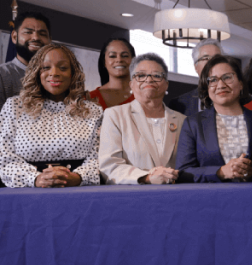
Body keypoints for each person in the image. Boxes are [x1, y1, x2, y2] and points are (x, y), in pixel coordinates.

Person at [0, 44, 102, 188]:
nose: (54, 73)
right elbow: (3, 155)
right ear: (37, 72)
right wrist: (35, 178)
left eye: (63, 68)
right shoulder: (14, 107)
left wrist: (78, 177)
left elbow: (99, 157)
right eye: (46, 67)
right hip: (28, 190)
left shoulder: (93, 111)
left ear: (73, 73)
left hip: (78, 189)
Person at [176, 55, 252, 183]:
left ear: (241, 84)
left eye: (227, 77)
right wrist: (221, 172)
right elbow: (183, 172)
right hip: (212, 199)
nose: (220, 85)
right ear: (207, 87)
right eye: (213, 80)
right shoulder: (193, 124)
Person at [99, 53, 184, 184]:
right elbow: (109, 166)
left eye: (156, 75)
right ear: (131, 84)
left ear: (166, 85)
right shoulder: (115, 115)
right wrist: (147, 177)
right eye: (141, 75)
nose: (149, 80)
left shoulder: (183, 120)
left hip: (176, 194)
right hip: (133, 196)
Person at [0, 11, 51, 125]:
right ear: (15, 37)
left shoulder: (59, 79)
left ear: (49, 41)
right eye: (28, 32)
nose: (36, 37)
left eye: (42, 34)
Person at [172, 38, 222, 117]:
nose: (212, 62)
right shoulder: (178, 105)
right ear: (196, 67)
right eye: (206, 58)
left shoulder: (239, 101)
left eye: (217, 58)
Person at [89, 37, 136, 109]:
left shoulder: (145, 95)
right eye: (112, 56)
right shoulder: (88, 99)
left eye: (125, 56)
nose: (119, 60)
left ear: (133, 60)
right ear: (104, 62)